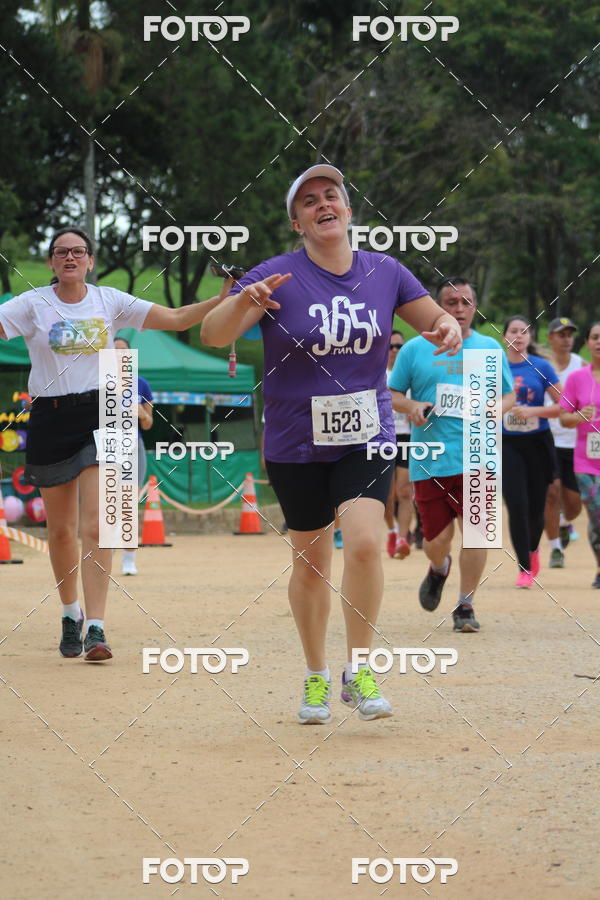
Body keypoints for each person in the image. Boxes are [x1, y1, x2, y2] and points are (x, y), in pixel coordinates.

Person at [201, 164, 462, 724]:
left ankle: (359, 670)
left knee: (366, 543)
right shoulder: (276, 274)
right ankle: (316, 676)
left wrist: (448, 325)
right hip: (295, 441)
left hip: (365, 432)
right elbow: (212, 335)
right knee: (312, 563)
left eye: (332, 195)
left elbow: (433, 317)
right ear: (297, 221)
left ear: (347, 209)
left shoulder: (385, 271)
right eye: (310, 200)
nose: (324, 204)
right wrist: (248, 302)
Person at [0, 227, 232, 661]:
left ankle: (96, 627)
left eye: (78, 252)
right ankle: (70, 612)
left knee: (98, 524)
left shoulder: (110, 301)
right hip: (49, 416)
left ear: (90, 260)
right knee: (61, 531)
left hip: (101, 414)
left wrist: (224, 298)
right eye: (61, 252)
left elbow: (179, 318)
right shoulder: (31, 305)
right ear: (51, 262)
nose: (70, 258)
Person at [390, 278, 515, 631]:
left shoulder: (489, 349)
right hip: (430, 459)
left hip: (479, 458)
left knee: (477, 534)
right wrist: (412, 405)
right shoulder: (416, 349)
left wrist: (493, 410)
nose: (458, 309)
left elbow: (509, 396)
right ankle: (438, 567)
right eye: (450, 302)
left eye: (465, 302)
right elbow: (392, 394)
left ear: (474, 306)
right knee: (436, 541)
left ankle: (465, 606)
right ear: (438, 306)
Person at [502, 316, 562, 587]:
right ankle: (524, 567)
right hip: (507, 443)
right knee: (517, 504)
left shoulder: (541, 367)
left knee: (538, 505)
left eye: (524, 331)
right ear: (505, 336)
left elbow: (565, 406)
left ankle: (534, 549)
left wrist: (532, 411)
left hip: (538, 442)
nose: (519, 335)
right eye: (514, 331)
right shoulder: (494, 366)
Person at [559, 321, 600, 588]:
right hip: (586, 461)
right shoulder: (577, 378)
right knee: (597, 513)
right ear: (587, 343)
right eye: (595, 337)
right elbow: (563, 417)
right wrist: (577, 416)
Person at [543, 317, 584, 567]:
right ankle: (555, 548)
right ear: (551, 338)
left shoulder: (582, 367)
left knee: (574, 505)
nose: (566, 339)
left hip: (576, 443)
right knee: (551, 493)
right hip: (548, 441)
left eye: (570, 334)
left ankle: (565, 523)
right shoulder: (542, 367)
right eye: (561, 334)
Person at [114, 336, 153, 576]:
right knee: (105, 502)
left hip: (132, 443)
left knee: (127, 502)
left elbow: (149, 424)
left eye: (123, 352)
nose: (119, 356)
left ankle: (129, 558)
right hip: (105, 443)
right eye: (114, 351)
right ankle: (103, 555)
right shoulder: (96, 382)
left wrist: (141, 414)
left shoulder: (141, 385)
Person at [384, 330, 413, 559]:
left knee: (404, 491)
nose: (395, 350)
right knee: (387, 495)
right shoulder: (376, 374)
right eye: (391, 346)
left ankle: (403, 537)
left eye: (399, 346)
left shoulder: (410, 375)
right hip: (382, 438)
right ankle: (392, 530)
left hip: (406, 436)